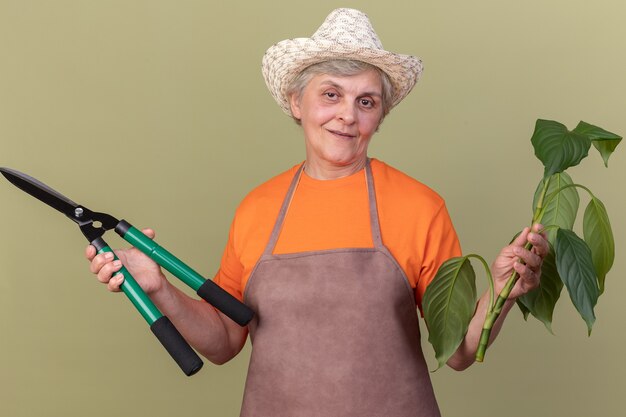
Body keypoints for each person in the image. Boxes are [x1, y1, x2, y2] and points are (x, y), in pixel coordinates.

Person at [86, 8, 548, 417]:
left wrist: (504, 290)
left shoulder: (419, 206)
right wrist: (157, 286)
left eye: (365, 101)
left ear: (379, 116)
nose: (347, 115)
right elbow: (225, 341)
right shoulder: (257, 208)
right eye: (331, 94)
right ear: (296, 102)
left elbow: (459, 351)